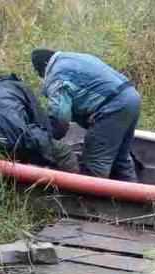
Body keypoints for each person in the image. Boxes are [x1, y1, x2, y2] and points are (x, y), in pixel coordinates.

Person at [31, 49, 141, 181]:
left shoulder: (56, 75)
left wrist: (47, 138)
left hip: (112, 108)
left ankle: (92, 201)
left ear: (43, 67)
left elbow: (60, 118)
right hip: (132, 98)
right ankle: (136, 198)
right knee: (120, 158)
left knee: (95, 165)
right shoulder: (75, 58)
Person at [0, 73, 78, 171]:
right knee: (64, 153)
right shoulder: (19, 87)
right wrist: (52, 138)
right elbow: (41, 121)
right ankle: (77, 191)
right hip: (15, 135)